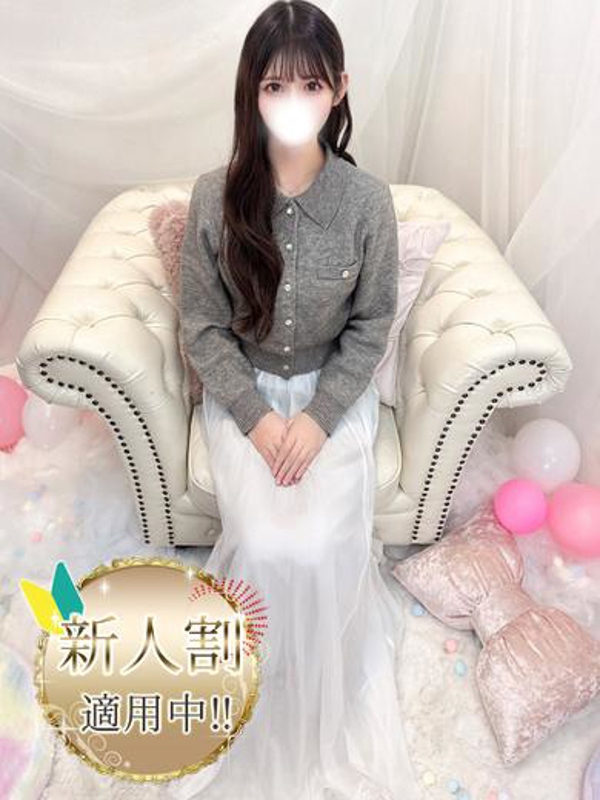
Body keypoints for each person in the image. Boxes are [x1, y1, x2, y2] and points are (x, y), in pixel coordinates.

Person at [178, 2, 422, 798]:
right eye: (274, 84)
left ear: (339, 89)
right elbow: (202, 328)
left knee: (319, 545)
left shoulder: (367, 203)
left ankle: (322, 690)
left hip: (331, 394)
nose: (292, 101)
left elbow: (372, 325)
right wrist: (257, 420)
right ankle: (257, 685)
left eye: (310, 85)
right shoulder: (215, 198)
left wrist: (317, 420)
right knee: (265, 542)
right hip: (243, 391)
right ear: (251, 90)